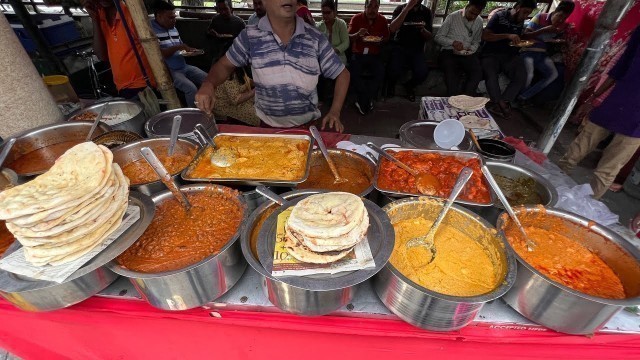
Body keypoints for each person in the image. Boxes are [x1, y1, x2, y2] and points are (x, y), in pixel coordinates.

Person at [194, 0, 350, 132]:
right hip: (267, 129)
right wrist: (208, 84)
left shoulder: (314, 38)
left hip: (307, 129)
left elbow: (342, 73)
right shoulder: (250, 36)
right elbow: (224, 65)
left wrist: (335, 111)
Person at [558, 25, 640, 199]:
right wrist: (594, 97)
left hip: (636, 123)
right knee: (573, 153)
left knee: (607, 170)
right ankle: (552, 189)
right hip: (614, 102)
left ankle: (584, 210)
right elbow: (620, 68)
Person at [84, 0, 156, 98]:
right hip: (122, 86)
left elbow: (153, 49)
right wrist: (95, 19)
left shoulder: (131, 13)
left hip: (143, 85)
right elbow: (101, 55)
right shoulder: (100, 16)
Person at [480, 0, 537, 118]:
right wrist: (507, 35)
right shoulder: (499, 16)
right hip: (491, 54)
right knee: (491, 74)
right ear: (518, 7)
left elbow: (517, 38)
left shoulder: (521, 22)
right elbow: (485, 36)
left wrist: (525, 39)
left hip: (510, 55)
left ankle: (503, 102)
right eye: (525, 12)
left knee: (521, 75)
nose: (526, 16)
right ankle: (498, 103)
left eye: (529, 14)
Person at [151, 0, 207, 108]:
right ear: (159, 16)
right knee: (191, 89)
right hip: (170, 71)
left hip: (183, 65)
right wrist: (179, 47)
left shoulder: (173, 29)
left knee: (207, 79)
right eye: (170, 18)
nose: (174, 20)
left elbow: (181, 48)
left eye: (174, 17)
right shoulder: (151, 32)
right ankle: (193, 114)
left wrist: (190, 51)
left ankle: (207, 106)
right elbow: (161, 55)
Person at [517, 1, 575, 103]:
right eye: (559, 16)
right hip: (528, 51)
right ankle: (520, 99)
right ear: (555, 12)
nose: (560, 20)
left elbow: (555, 41)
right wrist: (544, 30)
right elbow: (525, 36)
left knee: (553, 74)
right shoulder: (540, 17)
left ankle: (524, 97)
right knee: (529, 74)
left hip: (543, 54)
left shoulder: (563, 26)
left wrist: (559, 41)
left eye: (564, 18)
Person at [434, 0, 487, 96]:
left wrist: (471, 49)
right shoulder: (452, 17)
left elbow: (476, 41)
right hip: (449, 52)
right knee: (451, 72)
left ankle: (466, 98)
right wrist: (453, 42)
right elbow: (438, 37)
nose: (473, 16)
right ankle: (451, 98)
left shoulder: (479, 21)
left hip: (467, 53)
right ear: (467, 7)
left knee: (477, 72)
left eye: (476, 14)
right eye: (471, 12)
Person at [348, 0, 390, 115]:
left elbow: (386, 37)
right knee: (354, 72)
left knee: (380, 72)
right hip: (358, 53)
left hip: (374, 54)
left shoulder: (382, 20)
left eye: (376, 7)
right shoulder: (356, 18)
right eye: (370, 6)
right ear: (365, 7)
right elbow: (348, 37)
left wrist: (380, 40)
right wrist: (357, 34)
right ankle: (366, 100)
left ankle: (362, 100)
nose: (373, 9)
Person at [388, 0, 433, 102]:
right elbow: (392, 29)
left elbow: (429, 36)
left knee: (422, 72)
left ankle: (409, 86)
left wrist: (423, 29)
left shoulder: (426, 12)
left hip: (417, 49)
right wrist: (407, 9)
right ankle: (390, 85)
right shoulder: (400, 9)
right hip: (399, 46)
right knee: (393, 68)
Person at [316, 0, 349, 65]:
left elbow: (346, 43)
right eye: (323, 13)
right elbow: (316, 44)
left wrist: (334, 50)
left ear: (334, 12)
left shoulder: (341, 24)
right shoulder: (319, 26)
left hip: (339, 56)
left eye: (328, 13)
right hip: (323, 57)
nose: (325, 15)